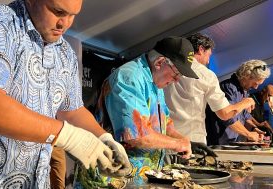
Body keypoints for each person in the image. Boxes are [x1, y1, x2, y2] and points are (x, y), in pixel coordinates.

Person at [0, 0, 131, 188]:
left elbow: (72, 111)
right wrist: (68, 136)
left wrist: (103, 139)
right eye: (58, 11)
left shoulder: (65, 53)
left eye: (73, 15)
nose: (64, 23)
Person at [74, 36, 218, 188]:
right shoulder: (129, 77)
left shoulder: (155, 82)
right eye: (176, 74)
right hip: (109, 178)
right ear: (160, 62)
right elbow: (136, 135)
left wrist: (186, 142)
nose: (176, 80)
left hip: (136, 178)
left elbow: (166, 125)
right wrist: (177, 144)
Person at [164, 33, 256, 145]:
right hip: (190, 142)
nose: (208, 61)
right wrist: (246, 102)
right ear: (201, 49)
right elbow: (225, 113)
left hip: (163, 138)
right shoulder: (206, 75)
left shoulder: (165, 66)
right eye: (209, 55)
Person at [206, 60, 271, 145]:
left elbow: (245, 114)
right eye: (255, 83)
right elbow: (228, 117)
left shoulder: (244, 90)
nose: (256, 87)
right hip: (219, 143)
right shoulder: (228, 87)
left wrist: (253, 129)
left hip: (232, 142)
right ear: (247, 76)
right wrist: (248, 134)